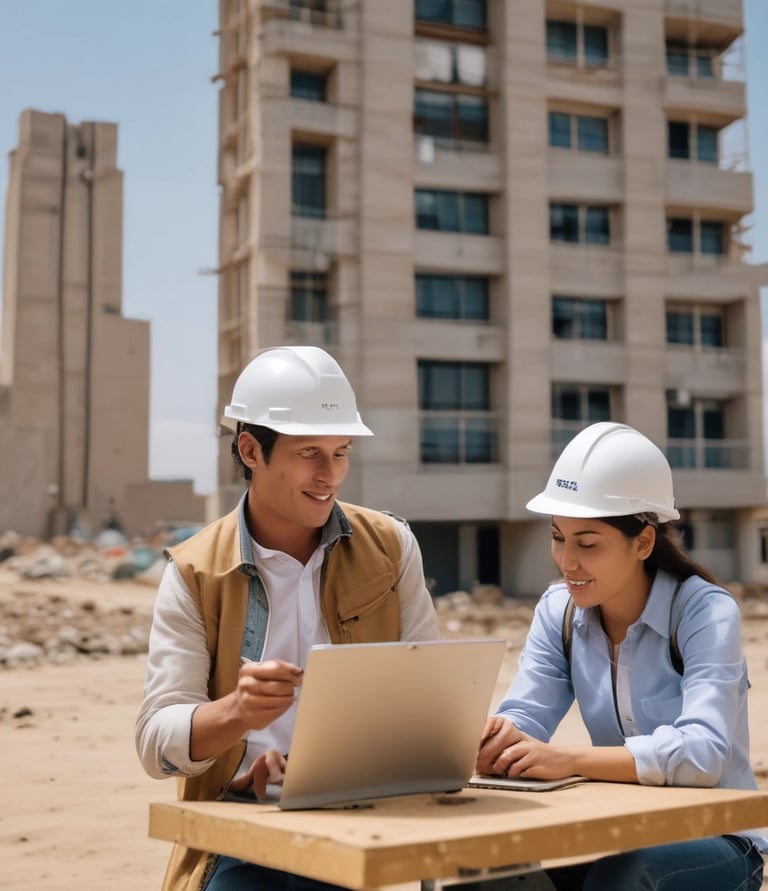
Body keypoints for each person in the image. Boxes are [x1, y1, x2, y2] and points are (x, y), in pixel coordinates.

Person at [135, 345, 441, 891]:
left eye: (341, 452)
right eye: (310, 454)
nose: (330, 475)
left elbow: (431, 697)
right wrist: (236, 712)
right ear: (251, 450)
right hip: (249, 833)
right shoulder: (194, 573)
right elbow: (156, 744)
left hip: (377, 820)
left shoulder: (393, 547)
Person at [476, 421, 766, 890]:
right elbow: (526, 715)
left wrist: (571, 759)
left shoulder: (704, 612)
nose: (567, 561)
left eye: (587, 543)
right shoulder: (558, 612)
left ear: (643, 542)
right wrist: (496, 741)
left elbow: (704, 753)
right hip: (620, 832)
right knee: (486, 869)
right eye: (558, 537)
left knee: (628, 874)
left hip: (717, 838)